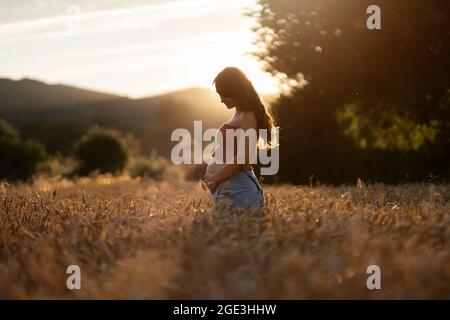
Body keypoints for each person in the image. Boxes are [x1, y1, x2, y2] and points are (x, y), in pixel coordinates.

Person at [202, 66, 276, 210]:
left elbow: (243, 158)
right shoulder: (239, 114)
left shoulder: (247, 116)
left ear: (236, 90)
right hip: (231, 187)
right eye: (219, 95)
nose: (222, 100)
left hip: (239, 188)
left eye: (224, 94)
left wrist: (213, 177)